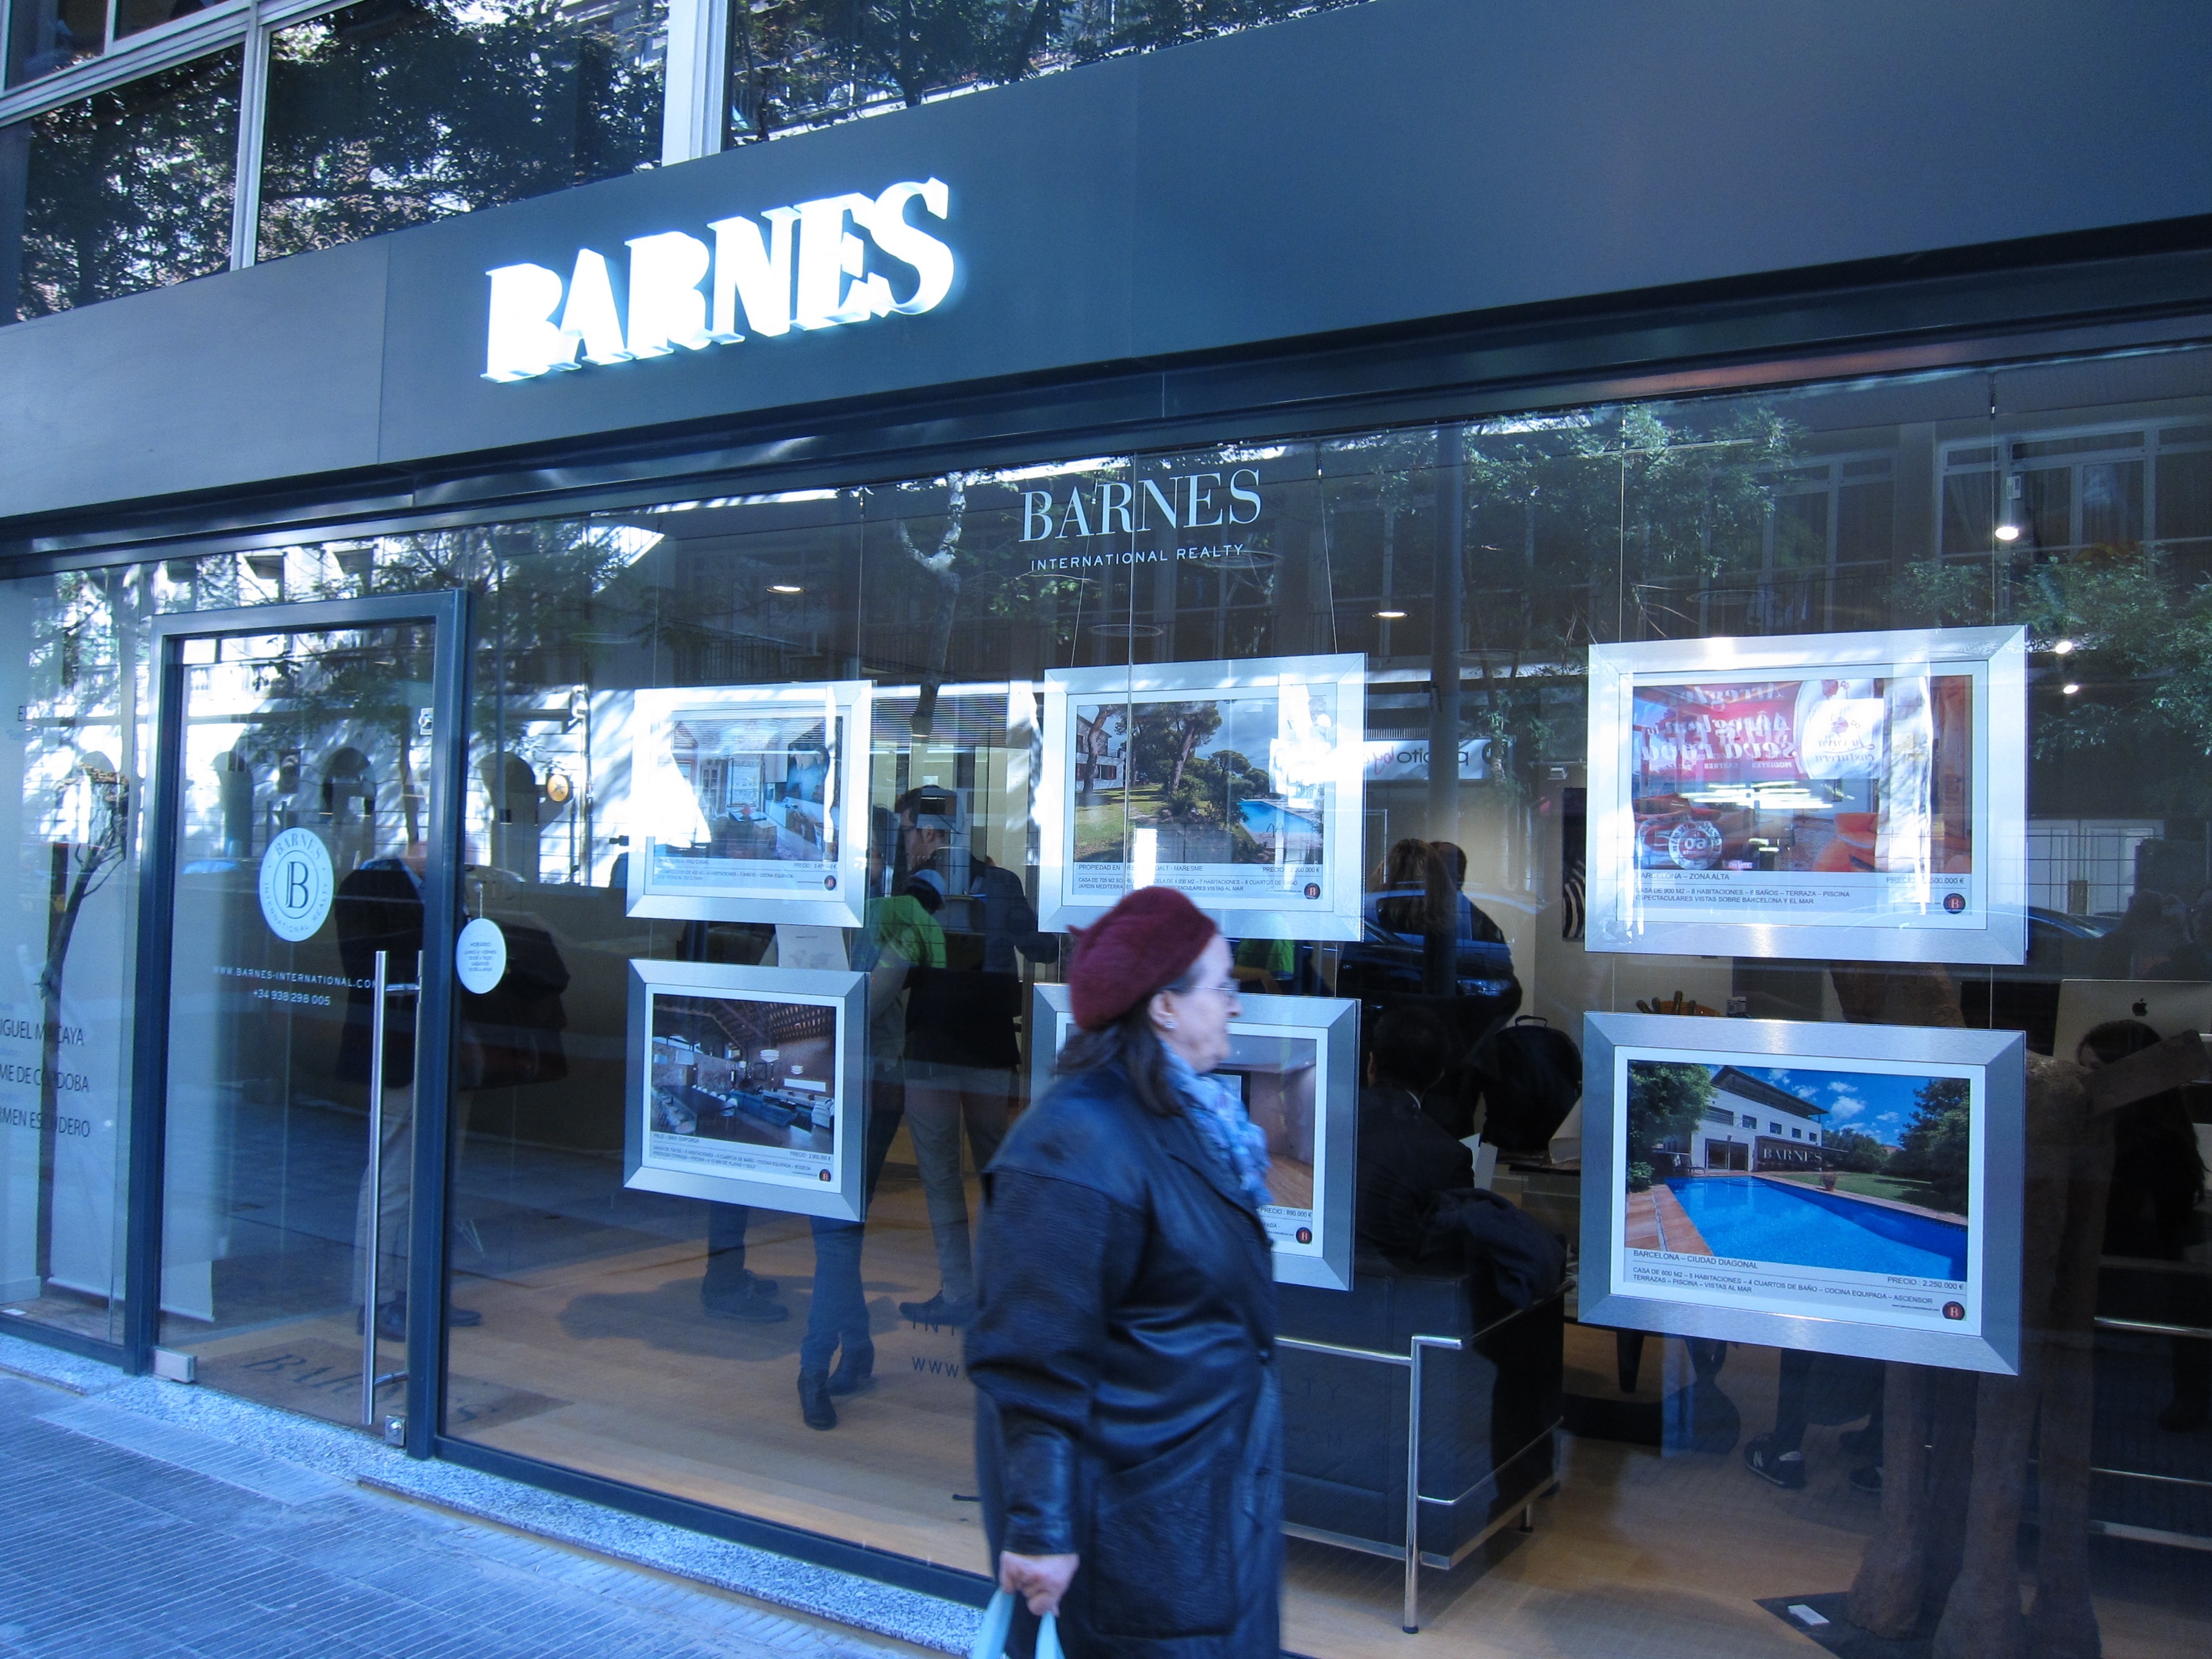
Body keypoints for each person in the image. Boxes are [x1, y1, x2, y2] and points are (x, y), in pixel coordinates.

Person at [967, 887, 1281, 1656]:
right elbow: (1034, 1363)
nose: (1236, 1004)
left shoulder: (1187, 1119)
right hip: (1136, 1538)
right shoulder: (1075, 1144)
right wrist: (1039, 1532)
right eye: (1223, 987)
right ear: (1164, 1007)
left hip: (1196, 1509)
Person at [796, 807, 945, 1429]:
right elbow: (774, 980)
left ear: (889, 859)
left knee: (837, 1228)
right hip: (813, 1078)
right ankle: (855, 1349)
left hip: (870, 1084)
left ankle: (814, 1366)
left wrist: (807, 1002)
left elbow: (868, 1000)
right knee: (835, 1230)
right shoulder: (813, 909)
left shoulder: (902, 918)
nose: (856, 864)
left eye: (868, 854)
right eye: (843, 851)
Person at [895, 784, 1054, 1327]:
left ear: (930, 831)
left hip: (933, 1047)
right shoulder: (1001, 883)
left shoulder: (916, 892)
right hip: (989, 1045)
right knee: (995, 1172)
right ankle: (1003, 1293)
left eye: (907, 832)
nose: (906, 843)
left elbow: (897, 971)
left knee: (943, 1178)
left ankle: (962, 1294)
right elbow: (1041, 948)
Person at [2079, 1017, 2211, 1432]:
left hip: (2139, 1271)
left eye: (2096, 1071)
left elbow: (2137, 1219)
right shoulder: (2119, 1126)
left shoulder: (2154, 1140)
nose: (2084, 1083)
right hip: (2125, 1267)